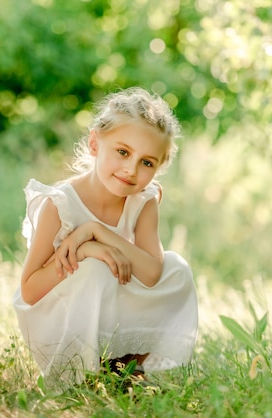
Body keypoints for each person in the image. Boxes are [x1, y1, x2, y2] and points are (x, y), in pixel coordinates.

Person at [12, 87, 198, 389]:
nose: (131, 170)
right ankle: (79, 376)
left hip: (107, 300)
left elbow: (152, 273)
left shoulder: (143, 200)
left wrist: (97, 233)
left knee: (176, 269)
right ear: (95, 143)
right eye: (123, 152)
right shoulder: (60, 205)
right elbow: (30, 291)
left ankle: (124, 369)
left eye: (147, 163)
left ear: (159, 168)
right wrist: (85, 252)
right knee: (96, 268)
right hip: (56, 317)